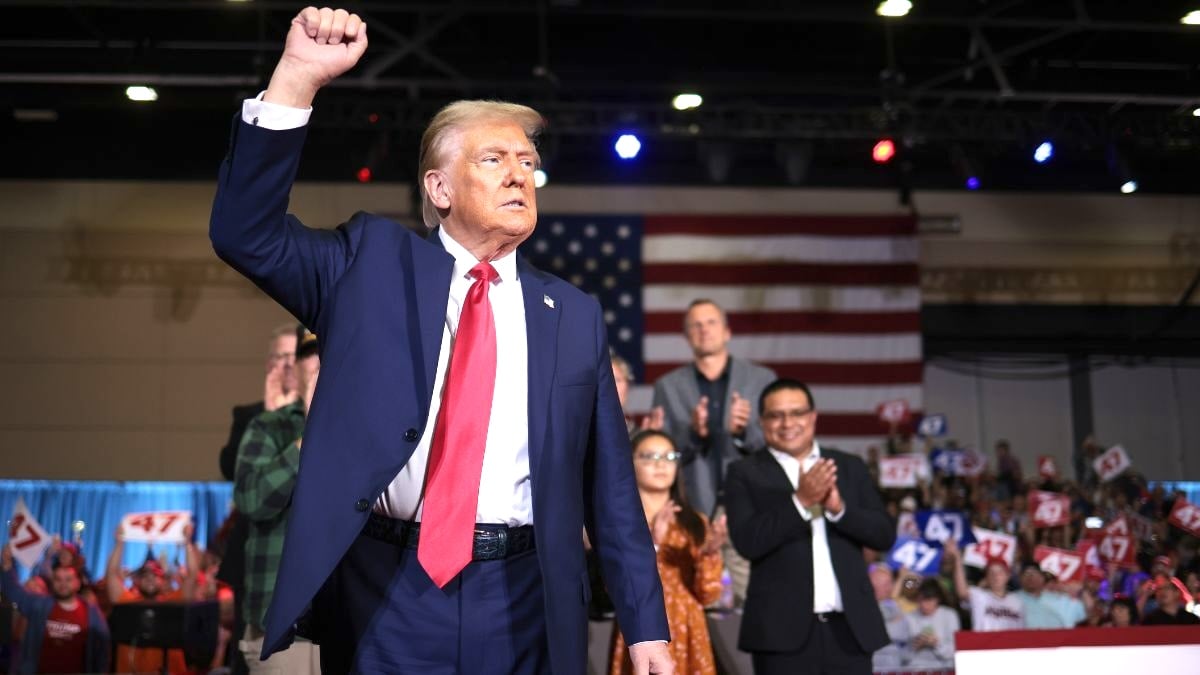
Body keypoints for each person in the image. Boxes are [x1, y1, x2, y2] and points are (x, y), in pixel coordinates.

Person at [208, 7, 671, 674]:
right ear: (439, 187)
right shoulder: (368, 264)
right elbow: (243, 234)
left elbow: (612, 490)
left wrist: (645, 624)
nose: (520, 174)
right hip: (385, 587)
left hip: (525, 595)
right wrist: (296, 82)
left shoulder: (572, 313)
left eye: (528, 162)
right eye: (494, 158)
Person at [723, 378, 895, 675]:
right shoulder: (744, 473)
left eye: (797, 413)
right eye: (776, 415)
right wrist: (801, 502)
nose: (787, 422)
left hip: (850, 631)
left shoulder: (848, 466)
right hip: (780, 636)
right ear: (762, 422)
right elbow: (747, 542)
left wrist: (839, 510)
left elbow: (883, 534)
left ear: (813, 416)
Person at [651, 299, 775, 606]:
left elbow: (776, 447)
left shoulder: (761, 380)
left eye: (711, 323)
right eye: (696, 325)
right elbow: (663, 452)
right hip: (694, 511)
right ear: (686, 336)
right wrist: (694, 433)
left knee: (754, 603)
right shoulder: (668, 386)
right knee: (695, 601)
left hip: (748, 506)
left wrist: (743, 432)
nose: (704, 330)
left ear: (727, 331)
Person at [235, 324, 322, 673]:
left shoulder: (367, 428)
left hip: (350, 620)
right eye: (308, 357)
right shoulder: (268, 427)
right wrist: (313, 432)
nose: (318, 364)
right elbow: (253, 499)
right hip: (284, 628)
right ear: (296, 370)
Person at [609, 431, 724, 675]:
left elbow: (709, 594)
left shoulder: (695, 523)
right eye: (650, 456)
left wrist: (710, 553)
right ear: (630, 462)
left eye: (669, 456)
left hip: (688, 630)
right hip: (639, 631)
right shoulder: (620, 523)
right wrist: (653, 545)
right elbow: (610, 589)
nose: (661, 464)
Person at [218, 323, 297, 675]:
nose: (288, 365)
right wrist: (268, 413)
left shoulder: (326, 413)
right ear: (269, 364)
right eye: (280, 357)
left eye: (295, 357)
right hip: (256, 558)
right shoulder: (251, 417)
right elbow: (231, 470)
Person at [1, 542, 110, 674]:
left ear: (77, 583)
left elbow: (102, 651)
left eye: (68, 579)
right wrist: (7, 565)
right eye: (58, 579)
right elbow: (14, 592)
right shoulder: (40, 605)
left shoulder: (92, 613)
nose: (63, 584)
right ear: (53, 582)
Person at [105, 523, 199, 674]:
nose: (150, 579)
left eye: (156, 576)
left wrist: (187, 542)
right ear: (137, 581)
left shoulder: (173, 603)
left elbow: (192, 575)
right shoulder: (127, 603)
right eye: (145, 575)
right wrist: (119, 543)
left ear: (164, 581)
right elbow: (111, 575)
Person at [944, 539, 1024, 631]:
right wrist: (957, 558)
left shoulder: (1018, 601)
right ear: (986, 578)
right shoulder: (979, 596)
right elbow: (962, 592)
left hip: (1013, 644)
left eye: (1000, 572)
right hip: (983, 644)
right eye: (991, 573)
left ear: (1008, 576)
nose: (996, 576)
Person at [904, 578, 959, 670]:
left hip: (943, 668)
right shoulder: (909, 617)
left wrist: (936, 644)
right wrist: (915, 646)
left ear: (937, 599)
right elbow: (902, 656)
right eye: (920, 600)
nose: (923, 605)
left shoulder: (950, 615)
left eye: (928, 600)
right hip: (915, 669)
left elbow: (954, 651)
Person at [868, 563, 910, 672]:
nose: (890, 587)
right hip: (872, 667)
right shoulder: (862, 607)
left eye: (890, 583)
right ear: (873, 584)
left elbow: (903, 633)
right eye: (886, 584)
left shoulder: (893, 606)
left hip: (895, 666)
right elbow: (872, 635)